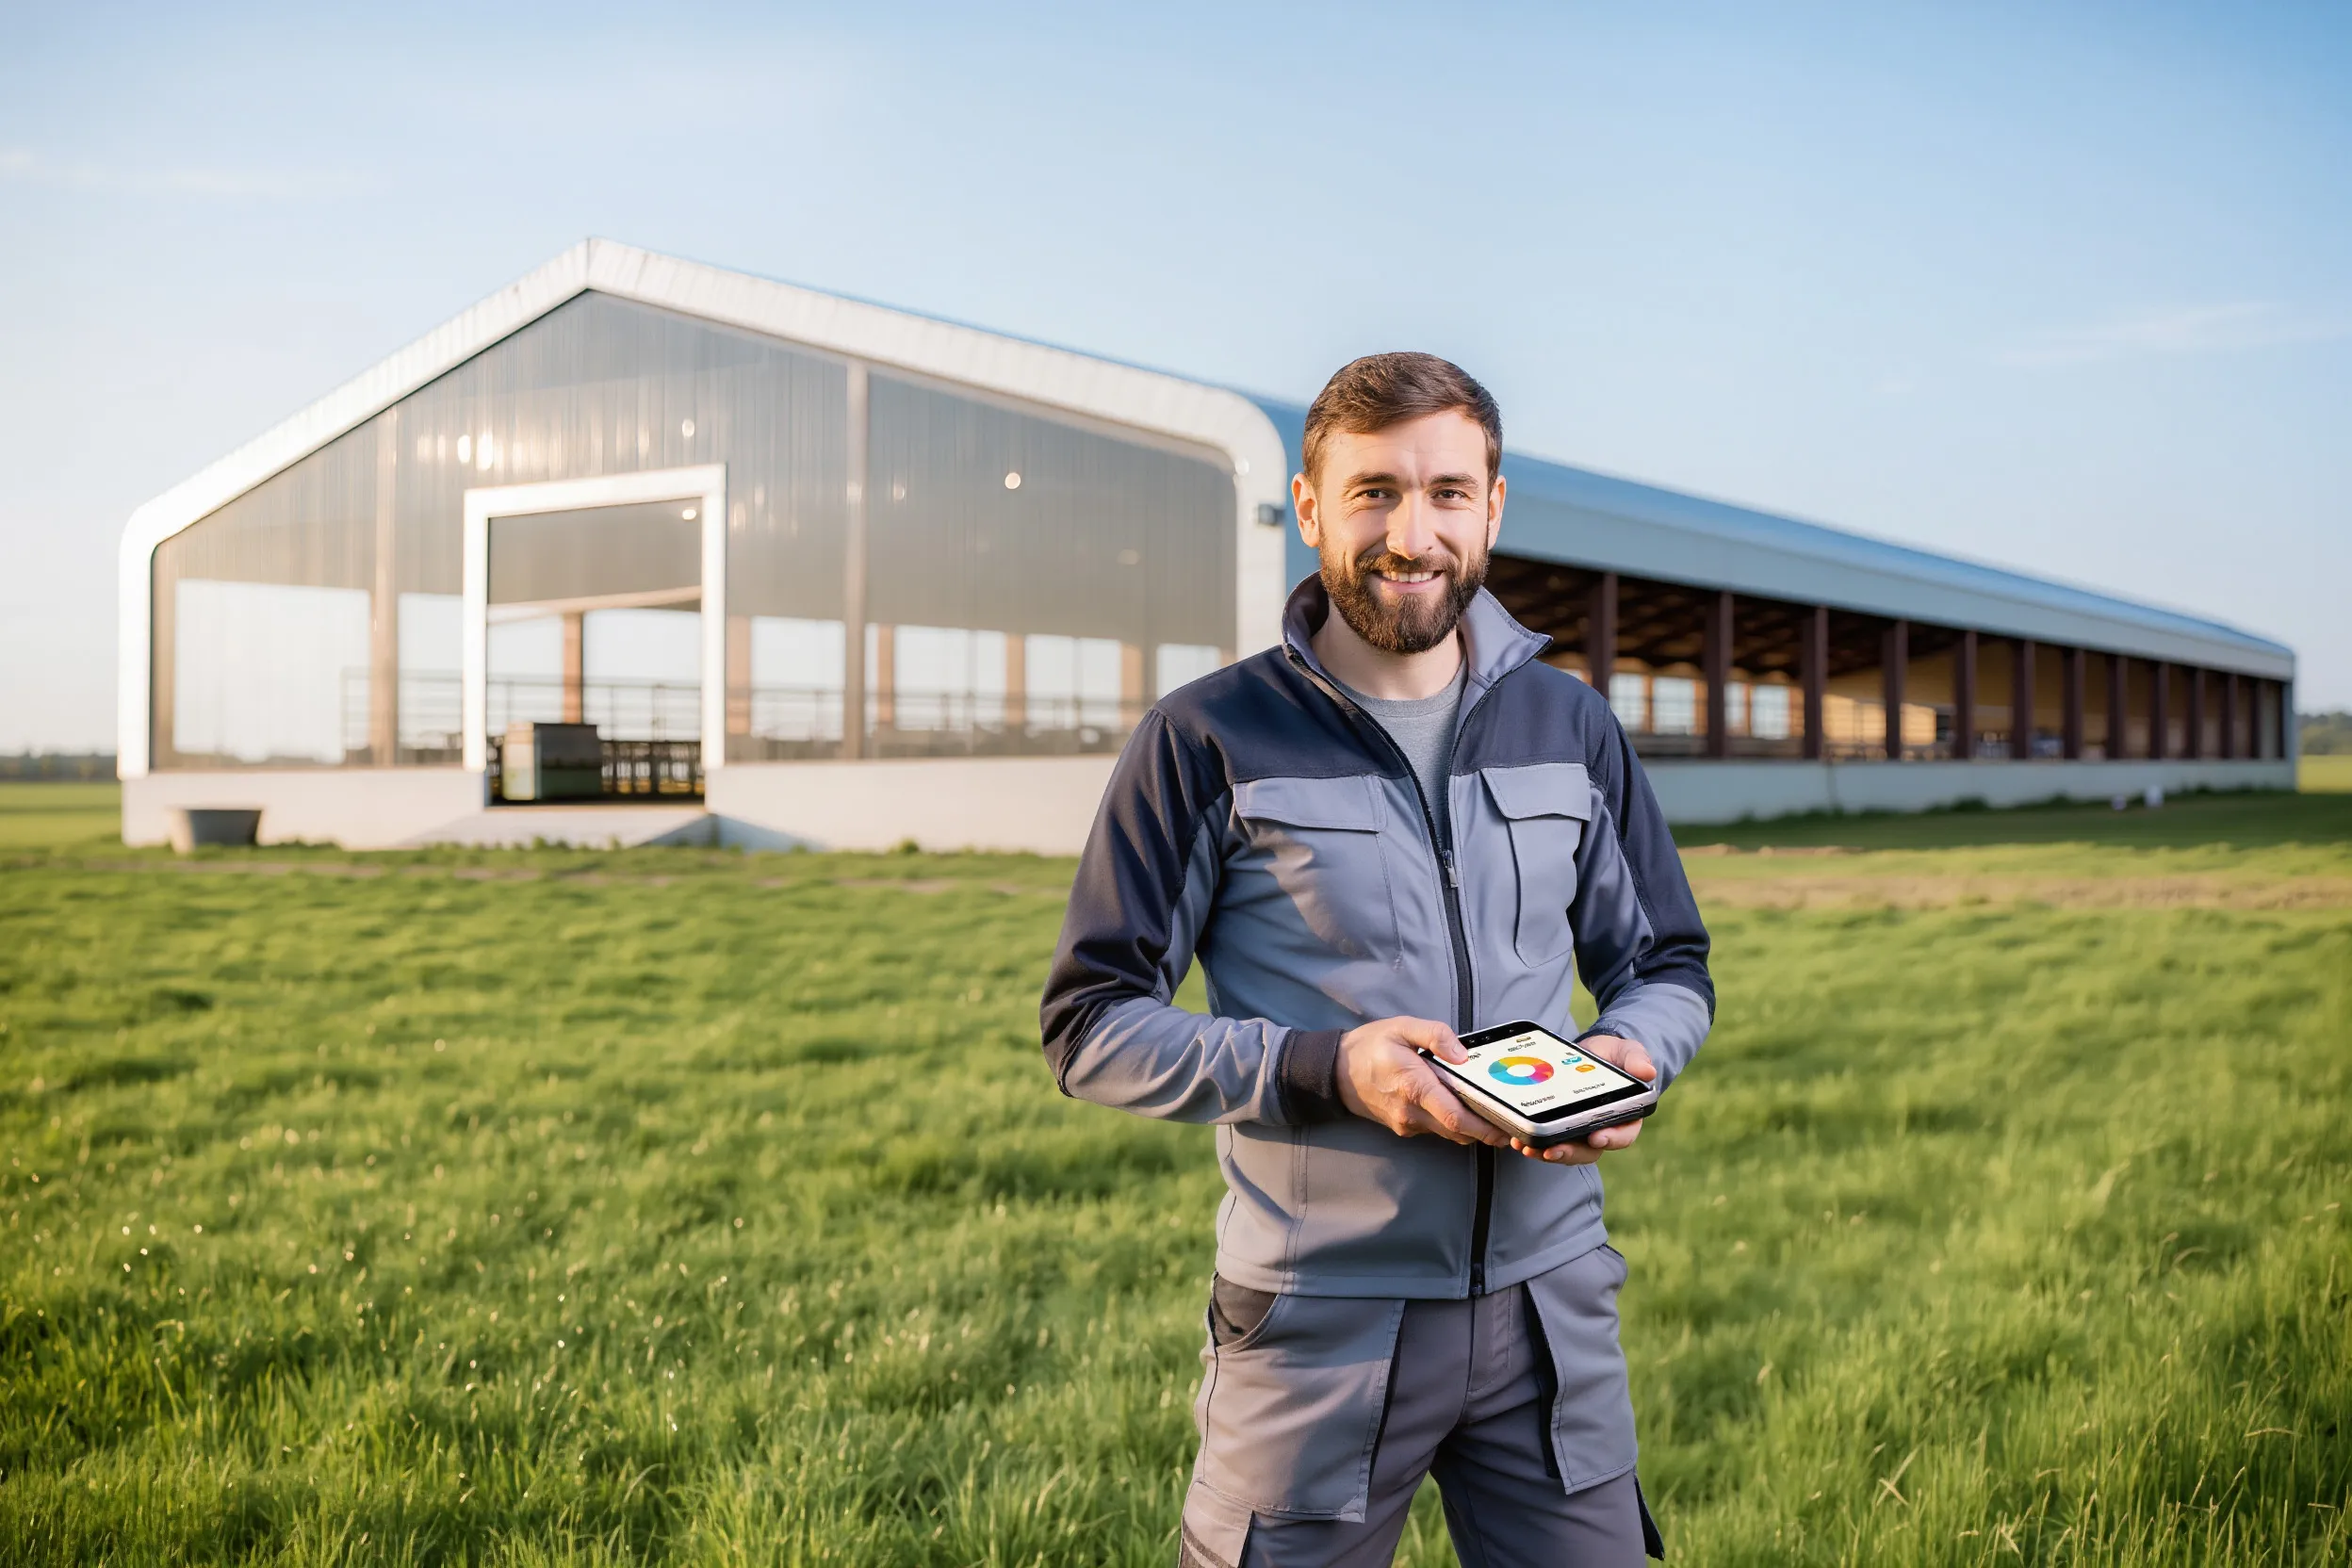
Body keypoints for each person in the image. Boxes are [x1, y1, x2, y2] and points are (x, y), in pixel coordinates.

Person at [1039, 352, 1713, 1567]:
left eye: (1449, 492)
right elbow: (1090, 1023)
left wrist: (1628, 1053)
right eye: (1375, 494)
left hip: (1552, 1312)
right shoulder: (1206, 736)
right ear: (1309, 507)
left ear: (1493, 508)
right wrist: (1330, 1069)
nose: (1415, 533)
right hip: (1317, 1325)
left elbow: (1668, 962)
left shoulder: (1570, 724)